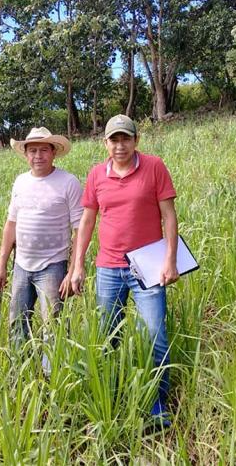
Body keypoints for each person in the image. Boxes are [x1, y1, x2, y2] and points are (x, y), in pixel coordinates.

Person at [70, 114, 179, 427]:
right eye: (113, 140)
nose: (120, 145)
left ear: (136, 140)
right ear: (105, 143)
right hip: (108, 268)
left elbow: (169, 216)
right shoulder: (95, 176)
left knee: (155, 335)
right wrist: (78, 265)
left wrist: (170, 259)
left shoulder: (154, 167)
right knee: (107, 338)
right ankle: (111, 396)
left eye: (125, 139)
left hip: (147, 265)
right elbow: (87, 221)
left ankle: (157, 405)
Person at [0, 127, 83, 377]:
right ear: (25, 154)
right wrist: (2, 263)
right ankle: (19, 375)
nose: (38, 155)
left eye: (44, 150)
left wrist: (75, 268)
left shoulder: (68, 182)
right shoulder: (20, 182)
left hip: (53, 266)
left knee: (52, 325)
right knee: (17, 322)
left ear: (53, 152)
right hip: (22, 265)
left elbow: (79, 228)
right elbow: (11, 223)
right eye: (32, 150)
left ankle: (51, 377)